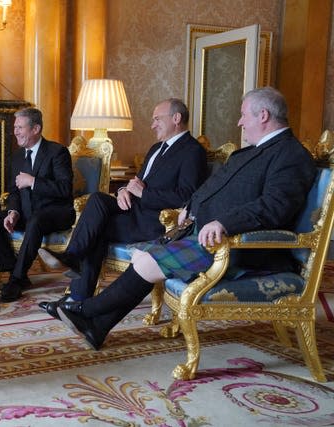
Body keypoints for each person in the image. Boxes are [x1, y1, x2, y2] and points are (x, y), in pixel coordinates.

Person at [54, 87, 317, 350]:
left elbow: (275, 207)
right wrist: (189, 207)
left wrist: (225, 223)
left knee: (148, 260)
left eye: (242, 115)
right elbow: (207, 188)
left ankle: (84, 310)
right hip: (204, 232)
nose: (239, 122)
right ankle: (96, 327)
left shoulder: (291, 155)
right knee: (141, 256)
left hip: (239, 245)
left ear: (263, 115)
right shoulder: (248, 152)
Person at [37, 98, 208, 319]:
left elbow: (186, 196)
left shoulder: (192, 151)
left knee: (96, 230)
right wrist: (123, 191)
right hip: (133, 211)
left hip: (155, 222)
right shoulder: (157, 148)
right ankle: (75, 294)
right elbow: (138, 182)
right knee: (98, 200)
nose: (152, 124)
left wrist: (142, 194)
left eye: (157, 119)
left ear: (176, 119)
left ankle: (75, 293)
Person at [0, 107, 75, 302]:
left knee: (36, 220)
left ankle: (15, 281)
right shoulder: (17, 156)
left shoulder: (57, 152)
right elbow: (14, 191)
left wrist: (33, 182)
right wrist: (13, 211)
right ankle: (15, 271)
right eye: (15, 127)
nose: (15, 131)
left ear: (35, 129)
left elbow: (65, 189)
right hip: (27, 212)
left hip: (55, 213)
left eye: (20, 127)